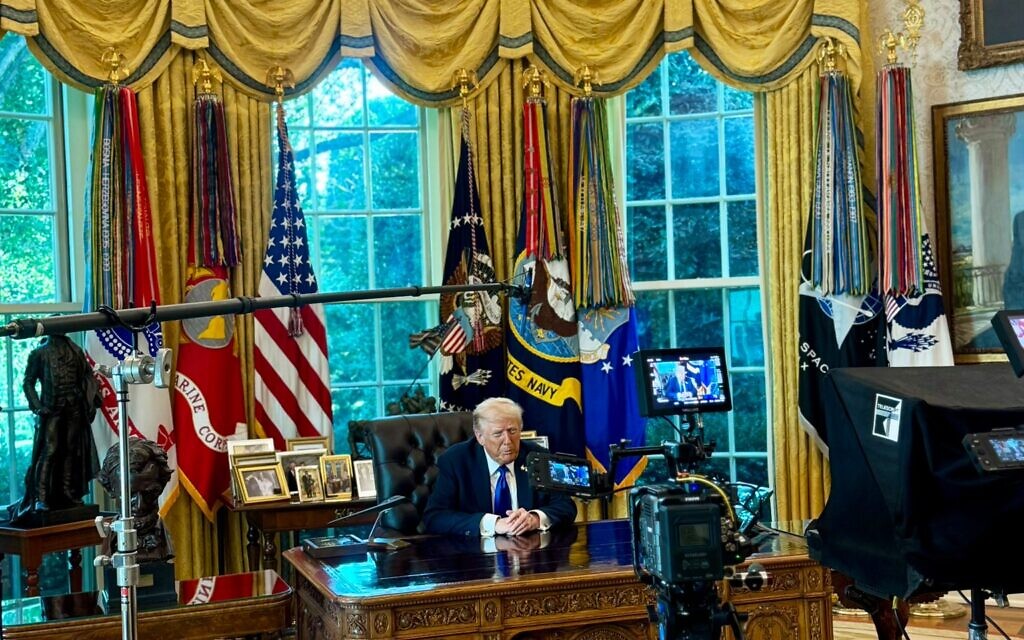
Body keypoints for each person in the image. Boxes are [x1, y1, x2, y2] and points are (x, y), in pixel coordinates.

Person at [423, 397, 576, 537]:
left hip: (530, 549)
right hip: (475, 552)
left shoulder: (537, 456)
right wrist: (492, 524)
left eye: (512, 431)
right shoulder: (456, 461)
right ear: (480, 437)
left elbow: (565, 506)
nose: (508, 441)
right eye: (498, 434)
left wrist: (535, 519)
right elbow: (435, 517)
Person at [9, 334, 102, 521]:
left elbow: (86, 376)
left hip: (73, 408)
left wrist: (88, 397)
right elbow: (28, 382)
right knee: (49, 451)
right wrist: (37, 406)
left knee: (70, 450)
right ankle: (41, 498)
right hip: (51, 410)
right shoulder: (40, 353)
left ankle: (67, 492)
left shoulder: (75, 351)